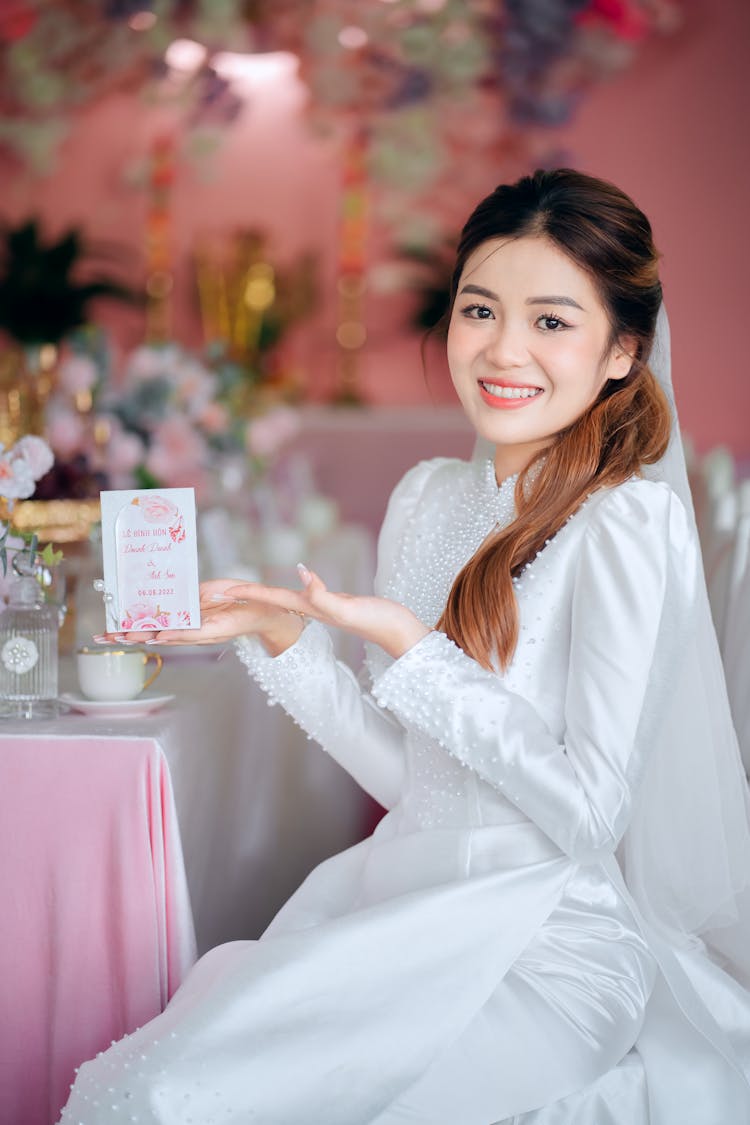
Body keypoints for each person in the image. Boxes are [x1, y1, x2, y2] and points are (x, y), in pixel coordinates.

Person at [62, 169, 750, 1124]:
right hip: (399, 904)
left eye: (552, 321)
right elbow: (416, 781)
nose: (504, 350)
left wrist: (419, 653)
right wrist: (284, 638)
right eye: (480, 310)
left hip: (545, 944)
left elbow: (590, 814)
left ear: (623, 351)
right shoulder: (425, 498)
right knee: (168, 1090)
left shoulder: (626, 523)